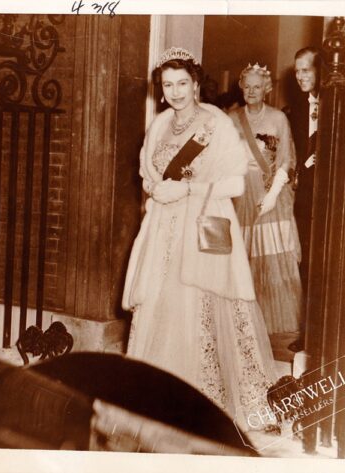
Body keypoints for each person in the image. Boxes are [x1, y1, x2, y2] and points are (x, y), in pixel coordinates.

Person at [122, 47, 277, 430]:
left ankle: (211, 405)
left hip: (201, 225)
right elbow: (147, 170)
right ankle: (157, 402)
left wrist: (186, 191)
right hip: (162, 229)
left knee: (201, 308)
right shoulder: (158, 124)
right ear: (160, 89)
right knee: (160, 305)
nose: (175, 92)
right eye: (167, 85)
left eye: (182, 84)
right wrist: (156, 188)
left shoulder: (216, 123)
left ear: (195, 85)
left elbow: (236, 182)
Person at [228, 63, 302, 335]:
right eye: (247, 86)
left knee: (271, 255)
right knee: (245, 256)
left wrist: (271, 196)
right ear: (241, 87)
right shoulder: (231, 118)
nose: (251, 91)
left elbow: (288, 158)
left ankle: (274, 326)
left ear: (267, 89)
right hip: (240, 193)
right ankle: (247, 323)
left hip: (271, 192)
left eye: (257, 87)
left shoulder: (278, 119)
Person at [287, 47, 322, 352]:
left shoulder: (340, 104)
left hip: (329, 195)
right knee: (307, 264)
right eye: (298, 70)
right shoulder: (297, 108)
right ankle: (308, 334)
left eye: (306, 69)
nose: (300, 76)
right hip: (305, 197)